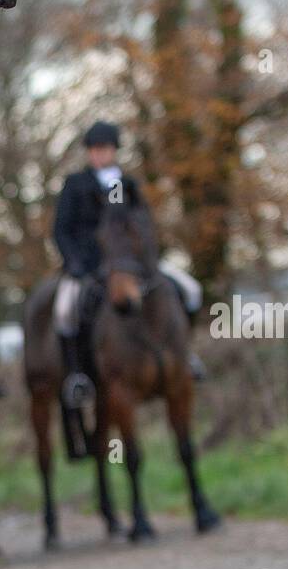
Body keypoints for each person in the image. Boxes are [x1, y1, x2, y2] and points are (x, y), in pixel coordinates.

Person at [51, 120, 203, 406]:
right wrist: (73, 263)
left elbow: (145, 224)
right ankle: (77, 377)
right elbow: (61, 229)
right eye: (94, 150)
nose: (99, 154)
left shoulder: (128, 185)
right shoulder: (75, 184)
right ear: (88, 152)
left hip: (134, 265)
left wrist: (147, 257)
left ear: (114, 150)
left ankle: (187, 356)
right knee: (64, 310)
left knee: (192, 290)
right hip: (89, 266)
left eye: (104, 149)